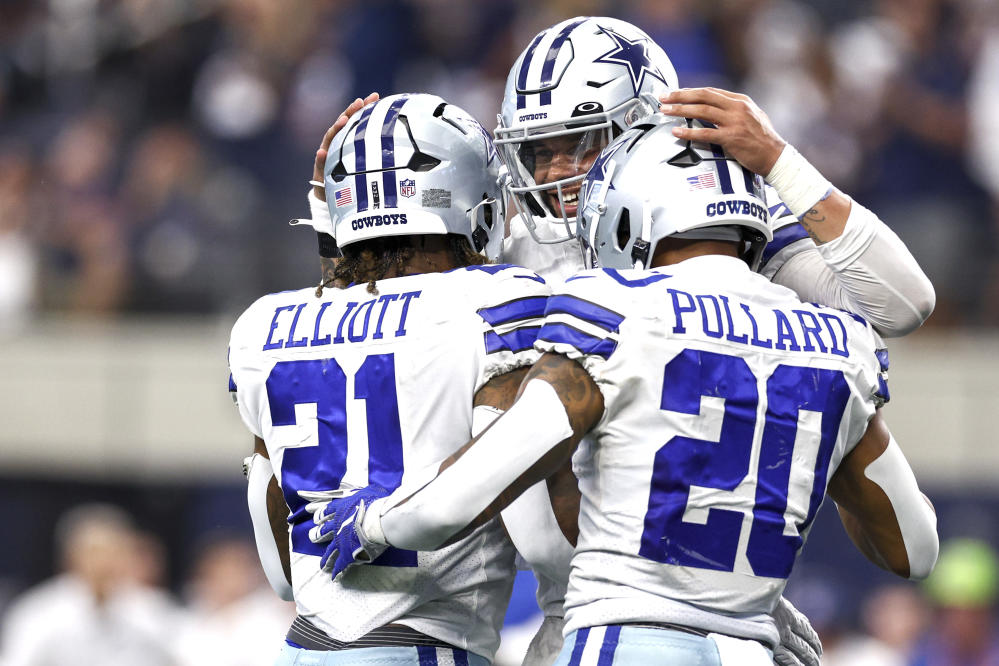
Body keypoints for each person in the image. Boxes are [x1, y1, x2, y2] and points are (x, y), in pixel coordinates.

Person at [295, 16, 936, 665]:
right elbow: (384, 341)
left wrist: (778, 161)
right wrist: (717, 596)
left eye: (580, 142)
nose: (557, 171)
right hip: (586, 591)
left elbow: (899, 302)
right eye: (538, 150)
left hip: (623, 606)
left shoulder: (707, 223)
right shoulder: (516, 242)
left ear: (654, 126)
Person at [228, 92, 548, 665]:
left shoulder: (262, 324)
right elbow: (541, 540)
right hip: (423, 648)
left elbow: (282, 572)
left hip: (301, 647)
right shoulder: (499, 301)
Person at [0, 503, 181, 666]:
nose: (104, 562)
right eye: (95, 552)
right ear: (71, 556)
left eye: (114, 551)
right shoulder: (40, 613)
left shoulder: (152, 611)